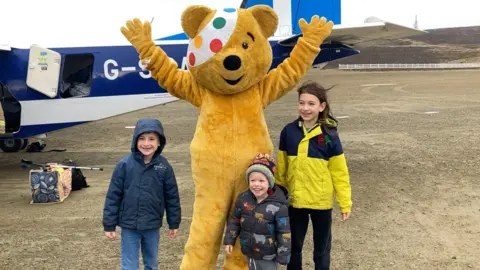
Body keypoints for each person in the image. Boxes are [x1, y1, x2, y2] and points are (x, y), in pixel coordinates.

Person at [275, 81, 352, 270]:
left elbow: (339, 172)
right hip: (296, 202)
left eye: (311, 104)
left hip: (321, 202)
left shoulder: (329, 136)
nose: (305, 108)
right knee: (294, 247)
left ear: (321, 106)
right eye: (302, 103)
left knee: (322, 249)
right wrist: (277, 196)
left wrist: (345, 201)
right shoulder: (288, 132)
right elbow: (282, 168)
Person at [102, 118, 181, 270]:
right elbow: (113, 196)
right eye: (142, 138)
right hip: (129, 225)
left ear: (159, 143)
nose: (146, 143)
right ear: (135, 140)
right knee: (129, 265)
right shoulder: (124, 165)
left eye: (152, 139)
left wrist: (174, 222)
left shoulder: (164, 167)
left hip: (152, 225)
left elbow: (172, 197)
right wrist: (109, 225)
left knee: (151, 263)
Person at [223, 153, 291, 270]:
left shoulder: (279, 206)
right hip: (249, 251)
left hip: (268, 255)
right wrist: (229, 240)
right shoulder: (243, 199)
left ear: (269, 182)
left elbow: (284, 233)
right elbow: (234, 221)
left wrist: (283, 255)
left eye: (261, 181)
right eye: (252, 180)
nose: (256, 184)